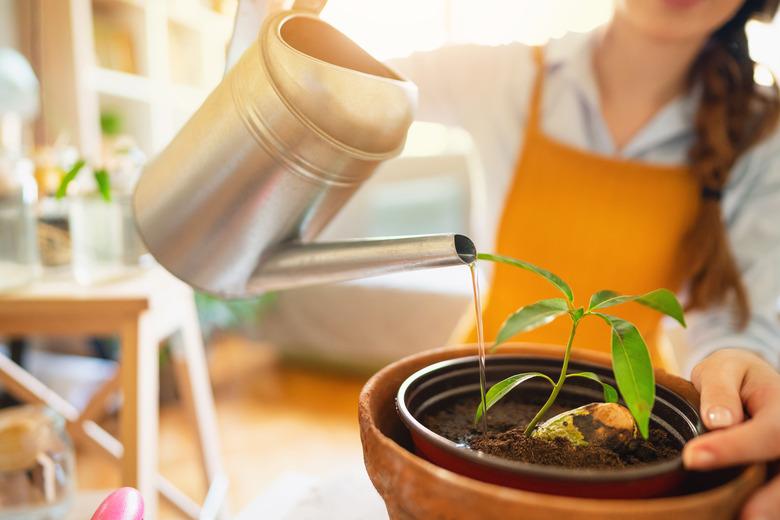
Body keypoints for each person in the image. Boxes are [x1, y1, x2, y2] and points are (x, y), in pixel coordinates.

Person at [232, 0, 780, 517]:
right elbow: (322, 89)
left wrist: (739, 369)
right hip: (475, 387)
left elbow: (738, 321)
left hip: (629, 417)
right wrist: (276, 16)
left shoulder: (759, 133)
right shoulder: (507, 75)